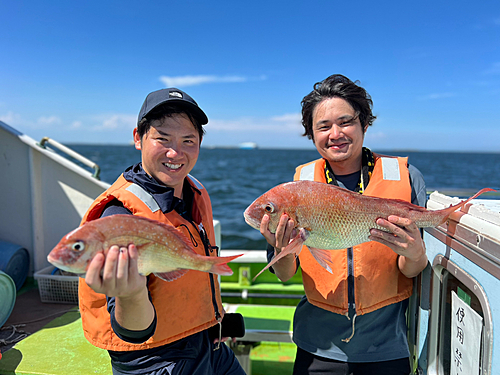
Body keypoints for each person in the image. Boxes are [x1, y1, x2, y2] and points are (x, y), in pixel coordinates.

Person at [260, 74, 428, 375]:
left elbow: (410, 269)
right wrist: (279, 248)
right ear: (311, 134)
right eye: (323, 126)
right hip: (317, 347)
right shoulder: (298, 187)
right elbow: (285, 275)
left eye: (345, 122)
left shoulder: (407, 178)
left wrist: (416, 254)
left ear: (364, 123)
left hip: (386, 348)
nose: (335, 133)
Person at [78, 88, 245, 375]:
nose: (175, 152)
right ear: (137, 138)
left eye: (188, 141)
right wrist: (130, 295)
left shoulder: (192, 192)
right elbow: (132, 331)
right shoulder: (119, 217)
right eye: (162, 138)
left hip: (208, 343)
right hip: (155, 362)